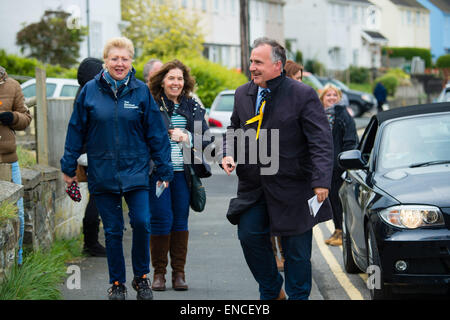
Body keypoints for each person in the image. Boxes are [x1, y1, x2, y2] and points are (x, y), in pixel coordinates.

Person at [60, 37, 173, 300]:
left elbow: (156, 133)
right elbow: (75, 131)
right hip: (103, 172)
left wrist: (165, 169)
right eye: (114, 59)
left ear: (131, 61)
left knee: (143, 223)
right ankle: (117, 283)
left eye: (124, 59)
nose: (119, 64)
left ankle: (141, 278)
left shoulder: (141, 91)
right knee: (112, 231)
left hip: (136, 171)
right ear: (106, 61)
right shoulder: (89, 91)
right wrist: (68, 166)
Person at [222, 37, 333, 300]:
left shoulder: (302, 94)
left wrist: (321, 180)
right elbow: (234, 129)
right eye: (251, 61)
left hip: (294, 187)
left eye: (258, 62)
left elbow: (320, 140)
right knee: (249, 237)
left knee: (297, 253)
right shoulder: (242, 93)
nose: (252, 67)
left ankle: (297, 297)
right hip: (254, 187)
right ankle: (272, 290)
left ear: (278, 66)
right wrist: (228, 152)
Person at [148, 59, 212, 292]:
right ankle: (159, 274)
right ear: (162, 81)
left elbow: (206, 139)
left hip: (183, 174)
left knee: (180, 222)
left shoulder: (192, 106)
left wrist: (188, 138)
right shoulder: (152, 105)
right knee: (161, 220)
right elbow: (141, 135)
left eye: (180, 78)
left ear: (185, 82)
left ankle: (179, 274)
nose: (176, 82)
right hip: (158, 174)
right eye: (171, 78)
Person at [74, 57, 106, 257]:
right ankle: (91, 243)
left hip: (86, 153)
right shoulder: (90, 94)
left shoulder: (83, 93)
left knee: (96, 197)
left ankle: (91, 241)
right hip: (93, 154)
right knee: (98, 198)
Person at [0, 66, 32, 266]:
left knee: (17, 211)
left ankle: (17, 262)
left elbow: (26, 118)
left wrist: (13, 118)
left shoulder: (12, 85)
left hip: (7, 160)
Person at [319, 84, 358, 246]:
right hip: (325, 165)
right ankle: (337, 230)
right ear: (322, 99)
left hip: (339, 166)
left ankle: (342, 233)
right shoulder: (319, 115)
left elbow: (350, 140)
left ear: (340, 98)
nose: (332, 98)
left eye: (335, 95)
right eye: (328, 95)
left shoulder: (343, 115)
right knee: (332, 200)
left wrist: (346, 163)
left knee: (338, 199)